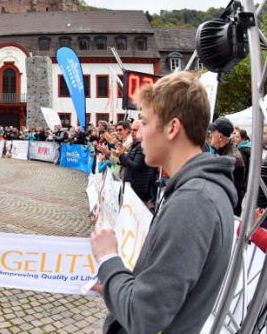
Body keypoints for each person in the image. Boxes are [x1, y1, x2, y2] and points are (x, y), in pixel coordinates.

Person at [90, 72, 237, 333]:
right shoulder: (196, 191)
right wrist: (115, 282)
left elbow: (145, 315)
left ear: (172, 127)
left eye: (145, 122)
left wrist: (108, 259)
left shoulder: (194, 202)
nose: (140, 134)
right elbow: (161, 296)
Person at [115, 120, 158, 208]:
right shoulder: (135, 144)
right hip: (131, 185)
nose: (132, 133)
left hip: (138, 188)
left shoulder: (143, 146)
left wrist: (121, 155)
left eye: (135, 130)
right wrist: (122, 154)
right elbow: (128, 162)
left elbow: (135, 166)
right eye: (132, 130)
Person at [209, 116, 246, 216]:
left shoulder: (230, 158)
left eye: (213, 131)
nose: (210, 133)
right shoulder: (222, 151)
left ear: (220, 137)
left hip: (227, 212)